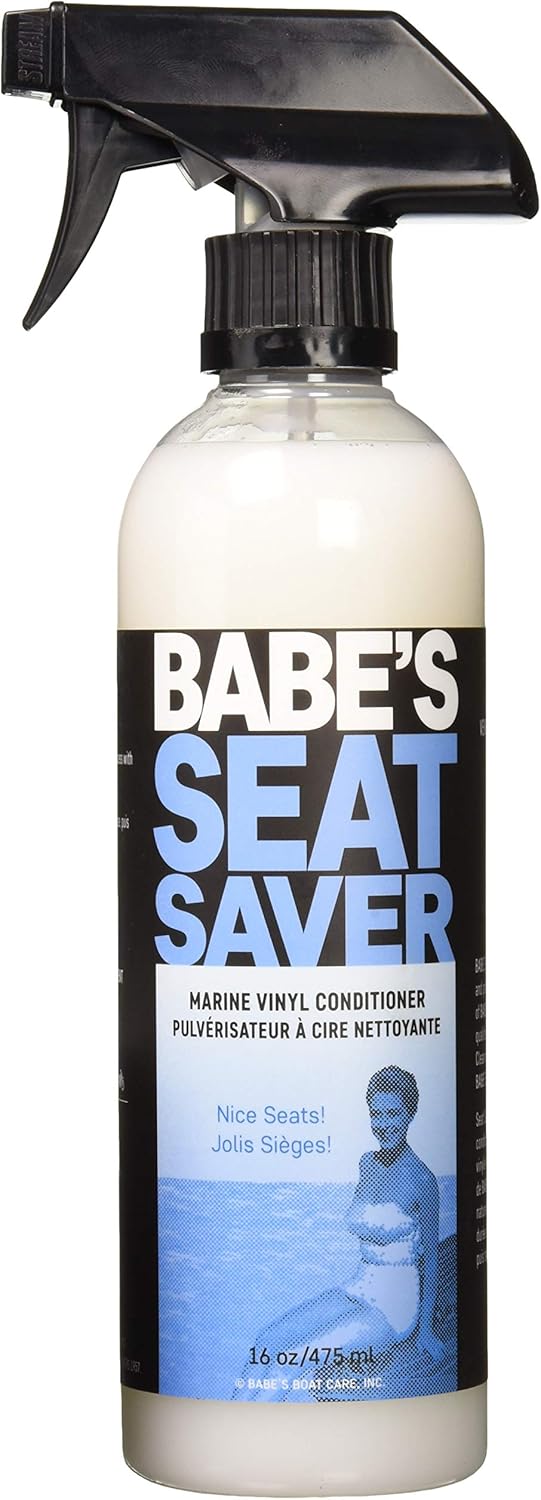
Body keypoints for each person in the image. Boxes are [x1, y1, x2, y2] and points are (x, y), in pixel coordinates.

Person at [238, 1065, 445, 1401]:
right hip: (357, 1286)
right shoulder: (368, 1164)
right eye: (376, 1114)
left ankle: (249, 1434)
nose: (383, 1124)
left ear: (410, 1114)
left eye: (393, 1114)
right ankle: (231, 1428)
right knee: (265, 1343)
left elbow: (432, 1259)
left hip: (393, 1307)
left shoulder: (422, 1179)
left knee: (292, 1359)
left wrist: (426, 1332)